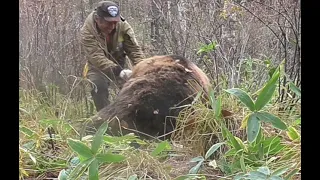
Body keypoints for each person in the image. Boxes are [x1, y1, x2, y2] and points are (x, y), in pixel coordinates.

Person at [80, 1, 145, 112]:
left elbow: (134, 51)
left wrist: (144, 68)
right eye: (108, 23)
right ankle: (105, 120)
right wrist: (118, 71)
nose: (113, 26)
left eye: (115, 22)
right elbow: (96, 56)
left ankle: (126, 119)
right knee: (98, 87)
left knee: (131, 90)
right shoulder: (88, 31)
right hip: (97, 65)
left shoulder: (123, 26)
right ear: (97, 19)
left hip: (118, 59)